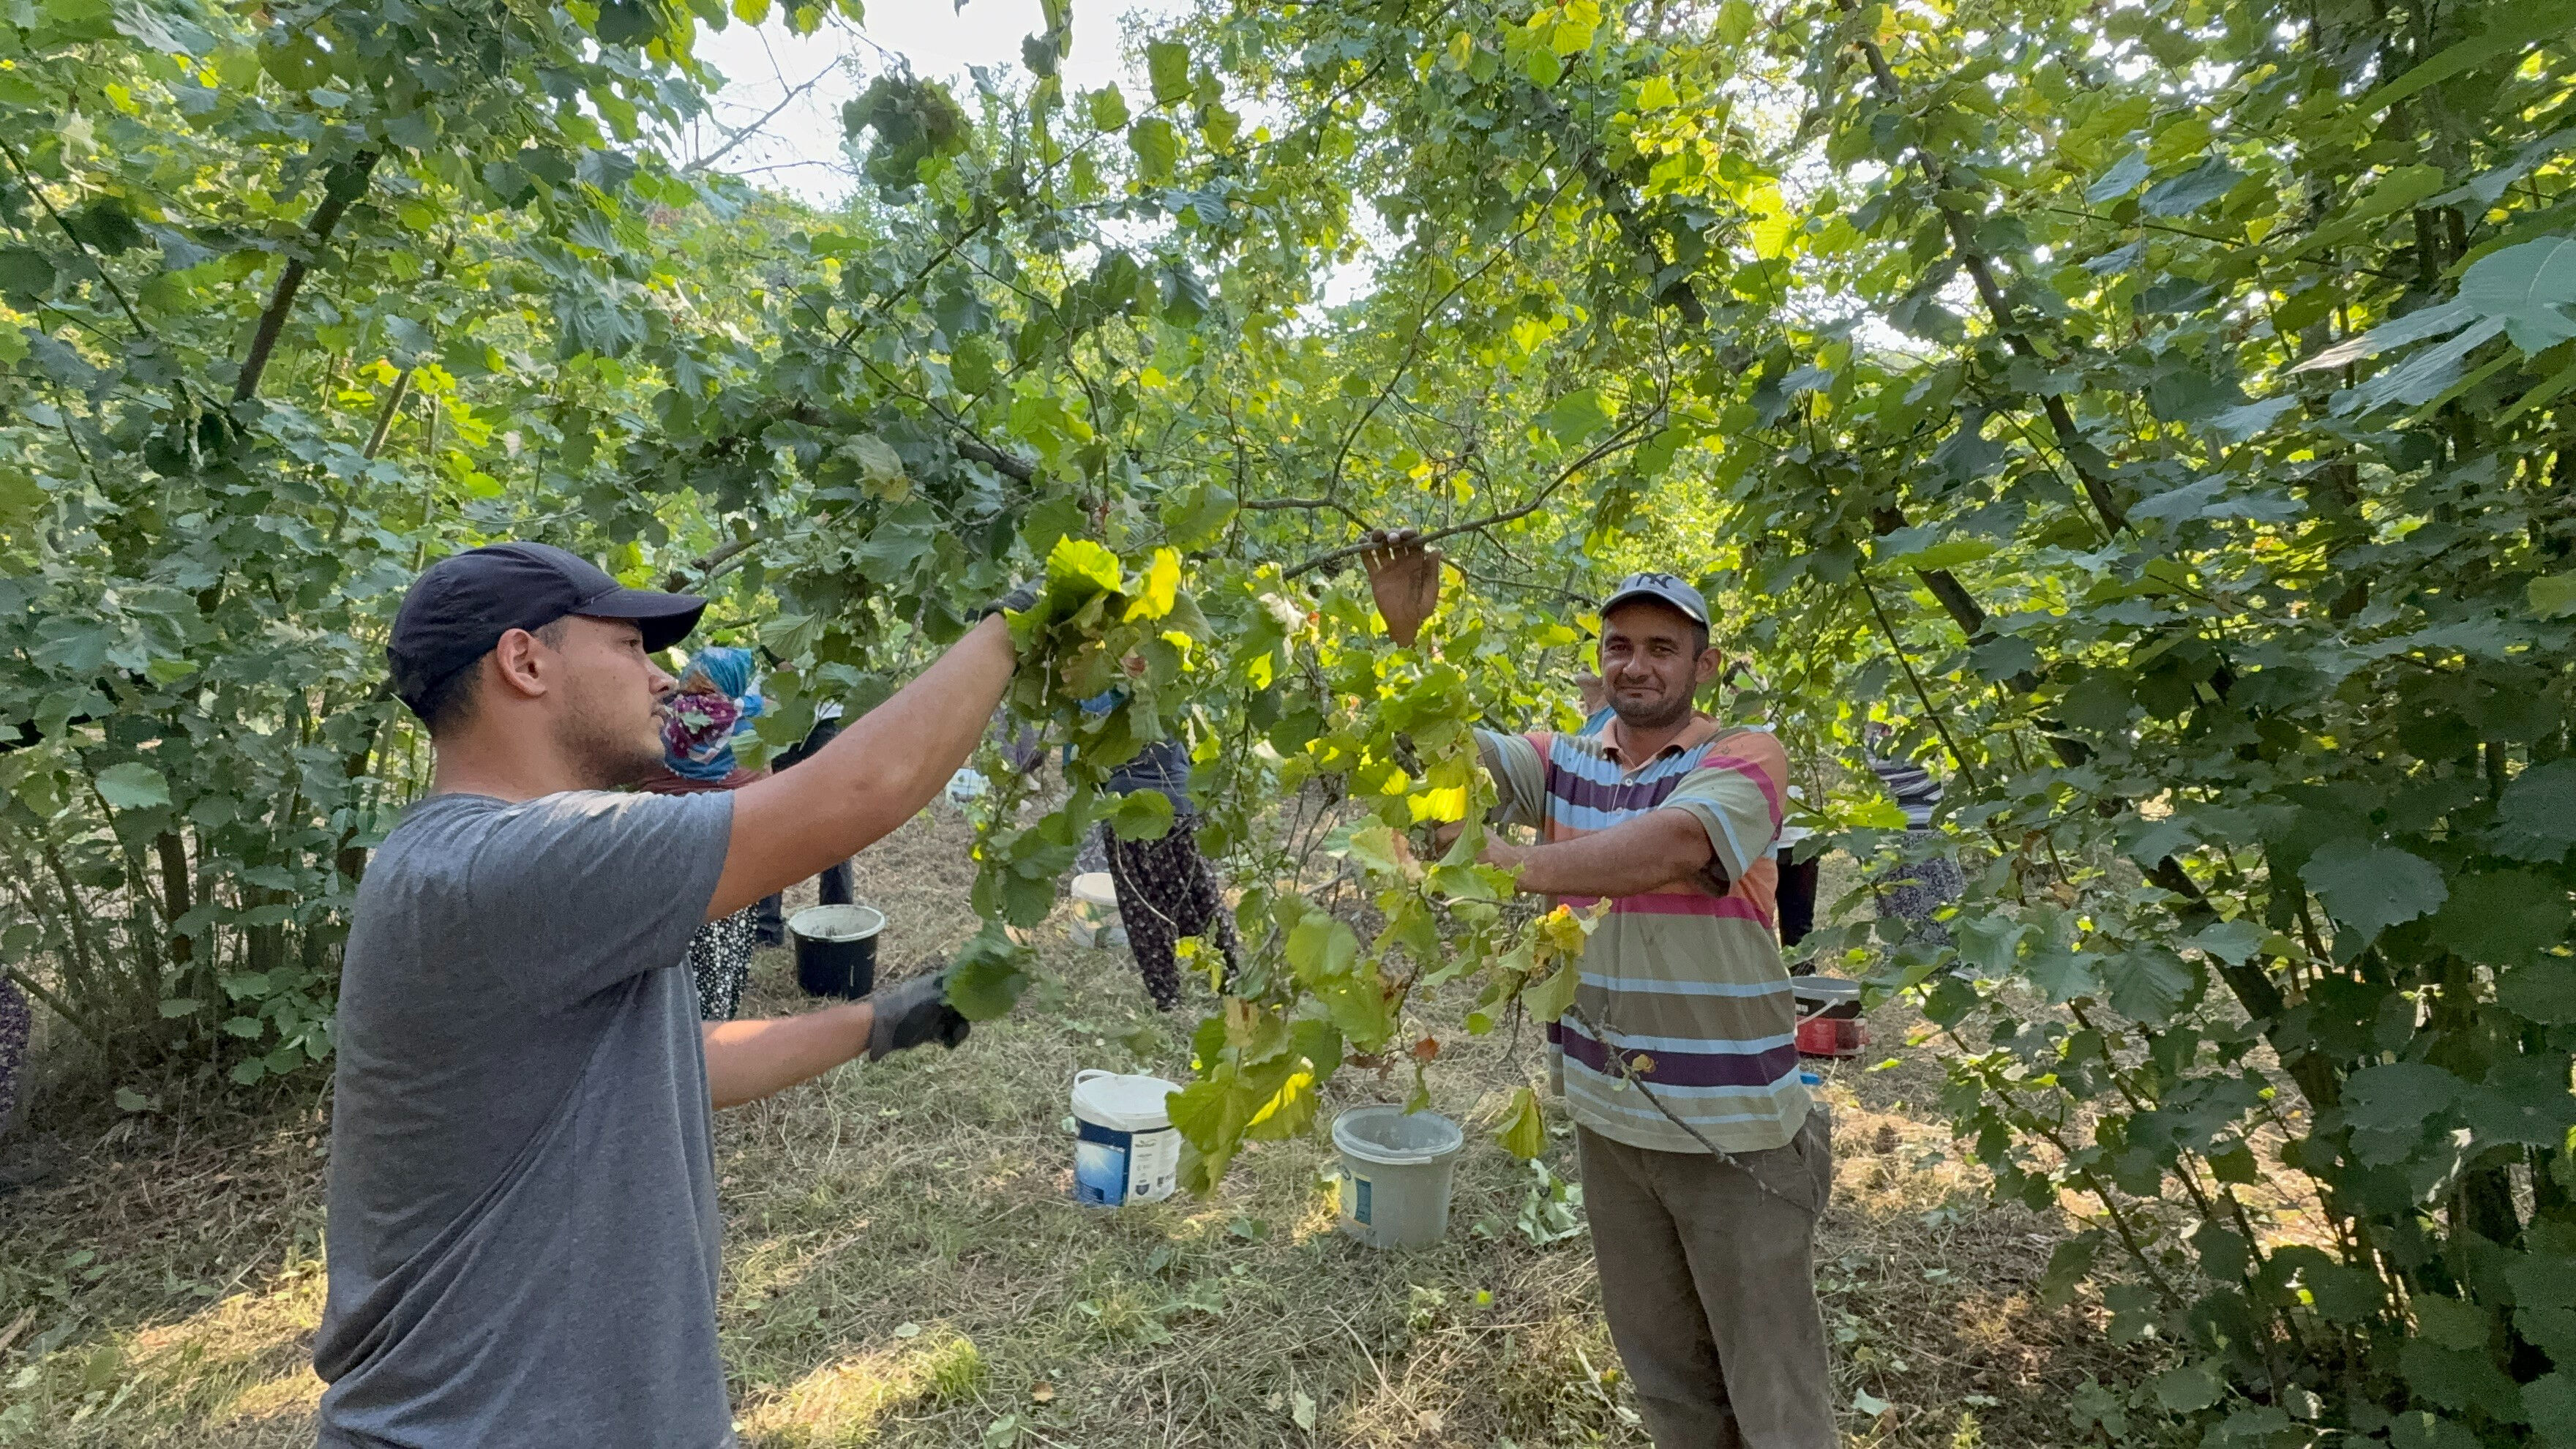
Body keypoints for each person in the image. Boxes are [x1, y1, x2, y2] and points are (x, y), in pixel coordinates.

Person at [315, 541, 1019, 1449]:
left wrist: (876, 1023)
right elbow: (862, 788)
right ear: (525, 661)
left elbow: (666, 1063)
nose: (661, 680)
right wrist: (1014, 628)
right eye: (630, 649)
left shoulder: (466, 859)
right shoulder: (512, 860)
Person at [1369, 543, 1833, 1449]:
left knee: (1776, 1398)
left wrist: (1510, 864)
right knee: (1667, 1383)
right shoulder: (1558, 759)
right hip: (1610, 1122)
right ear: (1601, 660)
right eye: (1620, 644)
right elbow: (1440, 761)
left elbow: (1671, 847)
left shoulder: (1745, 757)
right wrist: (1405, 641)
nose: (1638, 663)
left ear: (1704, 667)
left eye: (1663, 646)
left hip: (1732, 1130)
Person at [1078, 693, 1240, 1011]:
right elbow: (1197, 753)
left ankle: (1167, 997)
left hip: (1125, 815)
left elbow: (1082, 767)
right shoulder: (1166, 685)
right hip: (1177, 806)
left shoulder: (1089, 693)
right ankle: (1232, 979)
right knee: (1200, 897)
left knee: (1142, 908)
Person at [640, 645, 768, 1021]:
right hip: (732, 867)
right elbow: (766, 796)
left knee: (676, 974)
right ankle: (715, 1039)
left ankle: (688, 1038)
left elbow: (643, 785)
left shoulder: (658, 725)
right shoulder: (751, 729)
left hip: (665, 869)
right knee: (724, 962)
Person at [752, 700, 853, 947]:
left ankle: (837, 921)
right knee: (773, 822)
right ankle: (766, 929)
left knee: (832, 823)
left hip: (825, 719)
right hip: (780, 716)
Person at [1863, 719, 1964, 945]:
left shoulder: (1881, 752)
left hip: (1906, 835)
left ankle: (1915, 951)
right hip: (1921, 833)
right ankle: (1941, 951)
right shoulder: (1905, 753)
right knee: (1939, 898)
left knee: (1912, 902)